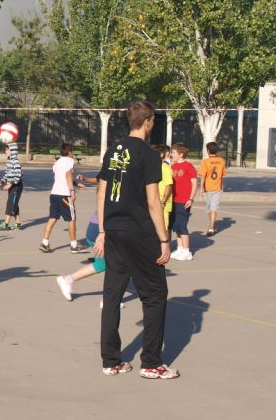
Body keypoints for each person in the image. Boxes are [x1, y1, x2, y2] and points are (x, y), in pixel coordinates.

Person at [95, 101, 178, 379]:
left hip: (115, 231)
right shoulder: (148, 154)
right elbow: (154, 203)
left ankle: (111, 360)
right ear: (148, 121)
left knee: (112, 296)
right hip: (140, 233)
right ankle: (152, 362)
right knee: (155, 295)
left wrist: (103, 230)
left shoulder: (113, 150)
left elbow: (102, 191)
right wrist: (164, 239)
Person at [39, 143, 88, 254]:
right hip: (64, 195)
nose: (73, 154)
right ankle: (74, 245)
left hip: (54, 194)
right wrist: (72, 190)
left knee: (53, 218)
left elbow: (62, 177)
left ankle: (44, 243)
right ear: (70, 152)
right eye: (73, 152)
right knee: (71, 219)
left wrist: (76, 184)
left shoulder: (57, 163)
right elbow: (68, 175)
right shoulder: (69, 161)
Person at [169, 143, 196, 261]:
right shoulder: (172, 166)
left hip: (184, 200)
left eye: (174, 153)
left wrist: (190, 198)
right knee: (176, 225)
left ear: (181, 154)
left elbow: (194, 184)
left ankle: (186, 251)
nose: (171, 155)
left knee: (182, 225)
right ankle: (180, 248)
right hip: (173, 200)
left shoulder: (188, 166)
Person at [199, 141, 226, 236]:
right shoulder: (222, 160)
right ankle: (213, 225)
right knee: (210, 208)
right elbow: (222, 175)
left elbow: (203, 176)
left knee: (212, 208)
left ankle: (211, 226)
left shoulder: (205, 162)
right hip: (217, 186)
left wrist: (201, 187)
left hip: (209, 187)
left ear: (207, 150)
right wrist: (222, 185)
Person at [0, 142, 23, 231]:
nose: (5, 151)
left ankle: (6, 224)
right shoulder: (9, 162)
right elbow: (7, 174)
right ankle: (18, 223)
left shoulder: (15, 162)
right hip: (11, 185)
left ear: (12, 151)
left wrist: (10, 184)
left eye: (7, 149)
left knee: (11, 204)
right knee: (14, 204)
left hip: (16, 186)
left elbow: (18, 175)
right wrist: (2, 181)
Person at [153, 145, 173, 231]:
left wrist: (163, 201)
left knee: (162, 229)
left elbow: (169, 185)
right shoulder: (151, 168)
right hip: (153, 201)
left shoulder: (165, 168)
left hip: (162, 203)